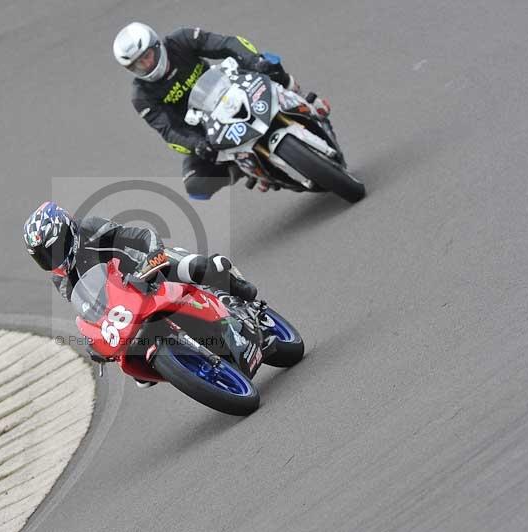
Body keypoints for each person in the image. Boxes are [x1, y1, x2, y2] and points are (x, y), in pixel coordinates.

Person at [22, 201, 264, 386]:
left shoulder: (90, 229)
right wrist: (95, 339)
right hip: (127, 302)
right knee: (140, 377)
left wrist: (151, 256)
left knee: (201, 268)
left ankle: (240, 297)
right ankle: (189, 363)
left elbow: (139, 236)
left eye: (52, 249)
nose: (51, 259)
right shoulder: (61, 279)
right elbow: (87, 308)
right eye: (43, 256)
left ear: (67, 231)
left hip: (151, 266)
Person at [112, 22, 330, 199]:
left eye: (146, 57)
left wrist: (255, 61)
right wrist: (196, 144)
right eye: (137, 65)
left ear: (156, 45)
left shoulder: (182, 39)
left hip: (229, 87)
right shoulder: (141, 96)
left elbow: (228, 44)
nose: (146, 65)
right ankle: (242, 167)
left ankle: (301, 96)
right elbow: (169, 132)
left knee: (268, 63)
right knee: (195, 184)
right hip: (204, 127)